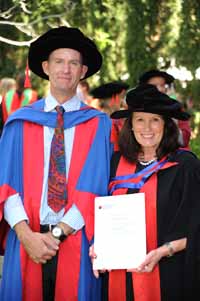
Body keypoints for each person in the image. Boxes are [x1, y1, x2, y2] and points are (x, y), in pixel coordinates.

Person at [0, 26, 113, 301]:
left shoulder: (99, 125)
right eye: (59, 61)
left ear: (83, 71)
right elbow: (6, 184)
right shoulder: (19, 121)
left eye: (73, 63)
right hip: (26, 238)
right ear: (45, 67)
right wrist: (26, 235)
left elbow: (95, 186)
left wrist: (56, 235)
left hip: (76, 238)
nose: (66, 69)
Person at [91, 84, 200, 300]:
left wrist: (163, 251)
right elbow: (101, 213)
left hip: (168, 277)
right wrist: (99, 245)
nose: (147, 127)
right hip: (120, 277)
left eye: (155, 120)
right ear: (130, 125)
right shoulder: (115, 163)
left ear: (166, 125)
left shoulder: (185, 166)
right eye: (140, 119)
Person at [139, 69, 191, 148]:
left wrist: (170, 124)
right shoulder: (138, 110)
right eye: (154, 86)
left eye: (162, 85)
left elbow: (184, 139)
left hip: (174, 155)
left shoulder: (175, 108)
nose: (160, 89)